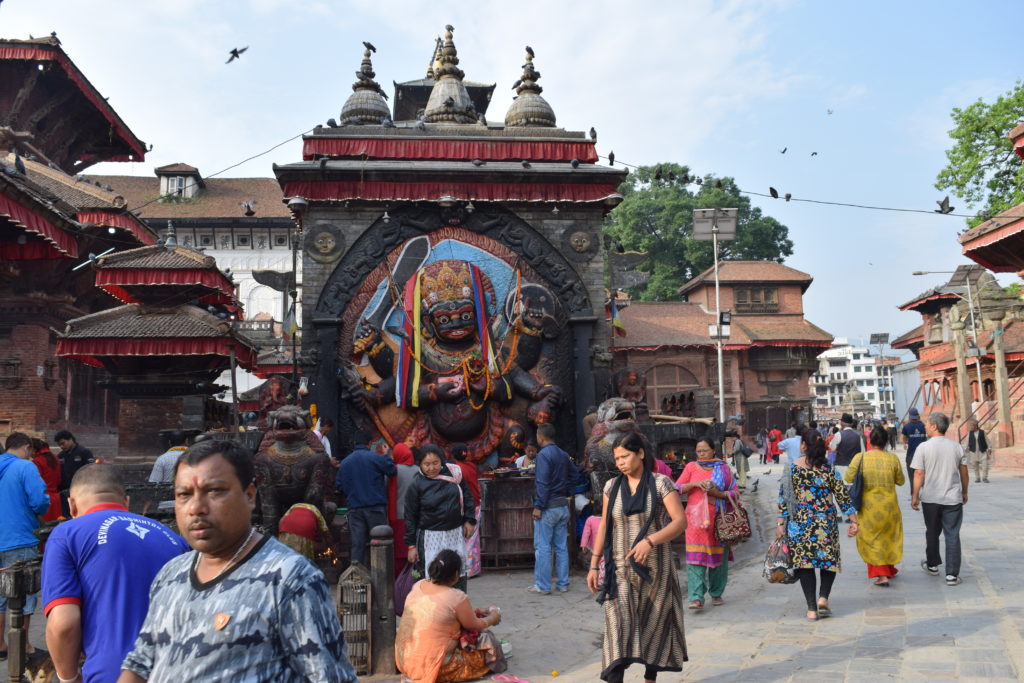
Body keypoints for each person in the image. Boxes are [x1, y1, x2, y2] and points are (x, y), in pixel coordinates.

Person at [118, 438, 357, 682]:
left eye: (214, 491)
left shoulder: (290, 579)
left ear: (250, 496)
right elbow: (141, 663)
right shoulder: (171, 574)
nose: (196, 508)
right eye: (184, 495)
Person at [42, 464, 189, 683]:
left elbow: (63, 624)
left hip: (112, 674)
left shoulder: (67, 534)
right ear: (126, 502)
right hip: (180, 671)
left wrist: (68, 678)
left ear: (71, 506)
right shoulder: (174, 538)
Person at [588, 431, 687, 682]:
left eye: (625, 456)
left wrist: (650, 540)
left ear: (641, 454)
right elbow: (604, 526)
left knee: (654, 622)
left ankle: (650, 677)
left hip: (656, 569)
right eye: (617, 458)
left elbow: (680, 522)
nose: (620, 462)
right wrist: (593, 564)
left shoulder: (661, 483)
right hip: (619, 569)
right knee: (616, 628)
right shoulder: (611, 487)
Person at [777, 428, 858, 621]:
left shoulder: (791, 468)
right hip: (825, 523)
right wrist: (854, 520)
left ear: (803, 445)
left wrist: (780, 523)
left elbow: (784, 498)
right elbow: (842, 497)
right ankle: (823, 598)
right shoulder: (829, 468)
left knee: (805, 565)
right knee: (828, 562)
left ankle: (812, 609)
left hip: (800, 524)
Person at [396, 549, 504, 682]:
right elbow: (474, 625)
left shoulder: (419, 584)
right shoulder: (457, 597)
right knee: (487, 653)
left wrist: (478, 612)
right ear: (457, 574)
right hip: (432, 668)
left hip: (404, 660)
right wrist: (492, 618)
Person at [0, 432, 50, 660]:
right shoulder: (25, 467)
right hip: (18, 537)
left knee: (0, 595)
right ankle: (24, 646)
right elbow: (39, 501)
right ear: (27, 448)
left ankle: (1, 645)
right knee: (25, 593)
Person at [676, 437, 738, 609]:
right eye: (698, 451)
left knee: (719, 557)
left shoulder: (723, 468)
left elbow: (735, 492)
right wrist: (694, 484)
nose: (701, 454)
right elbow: (677, 487)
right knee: (695, 558)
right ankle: (696, 597)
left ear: (713, 451)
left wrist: (718, 493)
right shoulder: (690, 467)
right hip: (695, 521)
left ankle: (716, 593)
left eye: (705, 451)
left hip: (719, 520)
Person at [405, 445, 476, 592]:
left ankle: (458, 605)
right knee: (432, 575)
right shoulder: (416, 484)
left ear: (442, 461)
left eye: (435, 463)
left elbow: (468, 496)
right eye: (427, 464)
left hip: (454, 534)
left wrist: (469, 520)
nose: (431, 468)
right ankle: (434, 610)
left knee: (457, 571)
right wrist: (411, 546)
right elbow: (410, 516)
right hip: (430, 537)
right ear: (420, 464)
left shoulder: (454, 474)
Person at [910, 412, 968, 586]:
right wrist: (964, 491)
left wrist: (915, 495)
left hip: (931, 499)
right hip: (952, 498)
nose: (925, 426)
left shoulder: (923, 447)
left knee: (932, 532)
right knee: (952, 534)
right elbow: (963, 472)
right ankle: (951, 575)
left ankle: (933, 565)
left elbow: (919, 473)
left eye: (927, 424)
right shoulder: (956, 447)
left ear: (934, 426)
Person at [844, 426, 905, 586]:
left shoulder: (860, 458)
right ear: (885, 442)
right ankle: (889, 569)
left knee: (871, 539)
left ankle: (881, 574)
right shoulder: (892, 458)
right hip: (889, 506)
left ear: (869, 440)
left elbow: (848, 477)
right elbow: (900, 480)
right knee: (887, 537)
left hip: (868, 507)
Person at [335, 429, 396, 566]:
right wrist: (386, 456)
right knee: (380, 542)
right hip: (376, 508)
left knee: (357, 545)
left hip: (355, 509)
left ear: (354, 443)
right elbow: (392, 471)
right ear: (369, 443)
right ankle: (382, 575)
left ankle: (358, 579)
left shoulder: (345, 463)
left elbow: (339, 486)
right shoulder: (376, 458)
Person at [529, 423, 575, 595]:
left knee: (543, 547)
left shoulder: (543, 455)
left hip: (548, 507)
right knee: (561, 547)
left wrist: (538, 506)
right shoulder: (563, 454)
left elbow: (542, 483)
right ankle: (563, 584)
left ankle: (543, 585)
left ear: (540, 437)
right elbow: (575, 475)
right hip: (563, 506)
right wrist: (567, 492)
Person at [450, 443, 482, 578]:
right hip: (475, 505)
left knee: (466, 538)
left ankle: (467, 569)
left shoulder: (456, 469)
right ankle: (473, 568)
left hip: (464, 507)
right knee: (473, 538)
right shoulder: (472, 466)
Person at [390, 442, 418, 575]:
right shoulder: (419, 470)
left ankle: (401, 581)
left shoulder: (394, 470)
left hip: (398, 515)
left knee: (400, 552)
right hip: (417, 515)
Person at [55, 429, 95, 517]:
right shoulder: (60, 456)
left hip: (81, 490)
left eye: (63, 443)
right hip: (65, 492)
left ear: (70, 439)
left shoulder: (84, 452)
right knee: (66, 516)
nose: (61, 447)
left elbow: (91, 470)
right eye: (59, 445)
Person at [148, 430, 189, 511]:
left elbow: (153, 484)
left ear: (169, 443)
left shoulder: (162, 459)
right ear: (186, 441)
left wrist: (148, 505)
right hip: (188, 504)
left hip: (166, 505)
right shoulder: (194, 458)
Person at [31, 438, 62, 522]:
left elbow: (35, 483)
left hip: (43, 498)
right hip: (56, 498)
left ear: (33, 449)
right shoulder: (55, 457)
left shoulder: (37, 461)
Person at [962, 419, 992, 483]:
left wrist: (989, 448)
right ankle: (977, 478)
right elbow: (966, 442)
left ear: (975, 426)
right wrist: (965, 449)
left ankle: (984, 478)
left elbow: (988, 441)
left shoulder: (982, 432)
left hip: (982, 452)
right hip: (973, 452)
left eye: (971, 426)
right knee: (975, 466)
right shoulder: (969, 433)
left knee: (985, 466)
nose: (970, 427)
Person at [901, 407, 927, 480]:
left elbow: (904, 437)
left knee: (912, 477)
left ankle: (914, 490)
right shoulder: (923, 426)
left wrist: (904, 444)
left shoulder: (906, 426)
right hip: (923, 455)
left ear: (910, 416)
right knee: (924, 476)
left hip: (911, 454)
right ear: (918, 416)